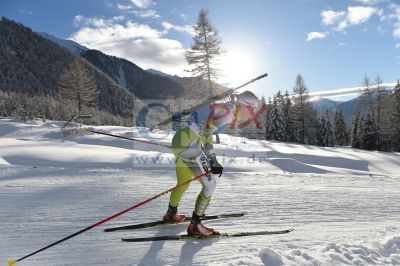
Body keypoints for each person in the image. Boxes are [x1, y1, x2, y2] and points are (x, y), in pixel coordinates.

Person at [163, 91, 261, 236]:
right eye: (252, 110)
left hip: (180, 141)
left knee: (183, 182)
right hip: (189, 146)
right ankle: (195, 225)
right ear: (245, 106)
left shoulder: (225, 107)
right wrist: (212, 160)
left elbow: (201, 124)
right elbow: (207, 132)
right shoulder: (229, 112)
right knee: (210, 185)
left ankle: (171, 214)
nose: (251, 115)